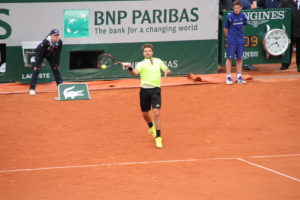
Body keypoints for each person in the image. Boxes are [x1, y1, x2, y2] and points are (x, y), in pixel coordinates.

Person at [126, 44, 171, 148]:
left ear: (152, 52)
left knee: (156, 112)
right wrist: (129, 67)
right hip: (144, 91)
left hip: (156, 90)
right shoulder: (141, 64)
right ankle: (151, 126)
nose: (147, 52)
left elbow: (166, 69)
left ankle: (158, 137)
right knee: (145, 114)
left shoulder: (158, 61)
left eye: (149, 51)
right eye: (145, 51)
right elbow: (134, 73)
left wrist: (167, 71)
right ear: (143, 53)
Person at [29, 29, 63, 95]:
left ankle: (61, 87)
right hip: (40, 53)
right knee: (37, 69)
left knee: (55, 68)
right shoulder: (45, 42)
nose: (57, 37)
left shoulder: (59, 42)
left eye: (58, 35)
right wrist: (37, 65)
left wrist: (57, 64)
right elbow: (39, 54)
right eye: (55, 35)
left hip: (50, 54)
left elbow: (58, 54)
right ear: (51, 35)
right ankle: (32, 89)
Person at [224, 0, 248, 84]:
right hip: (232, 40)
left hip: (240, 40)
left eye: (238, 8)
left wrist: (239, 34)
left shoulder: (243, 16)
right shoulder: (230, 17)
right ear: (233, 8)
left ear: (241, 7)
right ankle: (228, 77)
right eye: (235, 8)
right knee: (229, 58)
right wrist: (229, 37)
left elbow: (244, 26)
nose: (236, 9)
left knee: (239, 58)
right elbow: (225, 29)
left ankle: (239, 77)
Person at [280, 0, 300, 72]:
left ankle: (299, 65)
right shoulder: (285, 2)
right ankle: (285, 64)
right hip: (288, 30)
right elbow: (280, 14)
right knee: (287, 47)